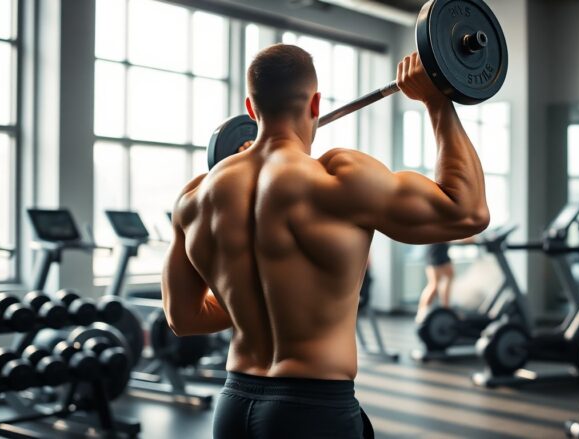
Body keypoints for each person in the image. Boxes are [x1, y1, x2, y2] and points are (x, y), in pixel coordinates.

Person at [161, 44, 489, 439]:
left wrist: (255, 299)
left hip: (233, 407)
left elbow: (184, 318)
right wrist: (437, 101)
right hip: (312, 410)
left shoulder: (196, 196)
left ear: (251, 109)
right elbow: (467, 211)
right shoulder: (337, 177)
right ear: (315, 103)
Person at [415, 242, 454, 323]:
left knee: (449, 276)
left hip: (442, 250)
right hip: (435, 250)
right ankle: (421, 313)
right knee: (434, 285)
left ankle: (445, 308)